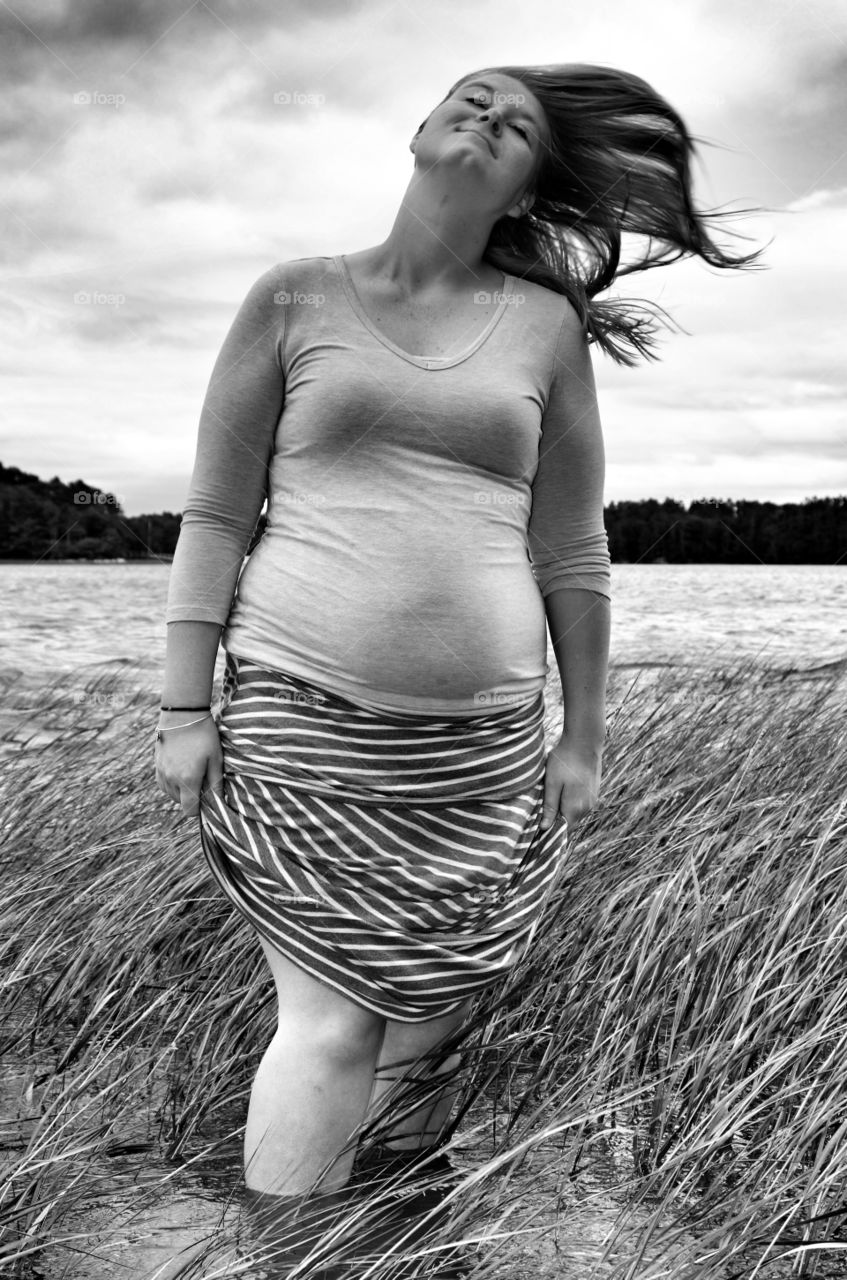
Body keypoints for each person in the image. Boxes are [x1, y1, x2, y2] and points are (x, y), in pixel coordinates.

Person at [155, 62, 760, 1272]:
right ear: (421, 128)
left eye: (519, 122)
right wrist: (183, 702)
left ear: (530, 177)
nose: (489, 117)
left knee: (429, 1032)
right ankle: (294, 1261)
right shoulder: (292, 297)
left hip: (481, 751)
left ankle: (403, 1241)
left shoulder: (543, 326)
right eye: (471, 98)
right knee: (329, 1022)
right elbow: (216, 515)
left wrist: (581, 736)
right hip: (300, 719)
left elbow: (571, 551)